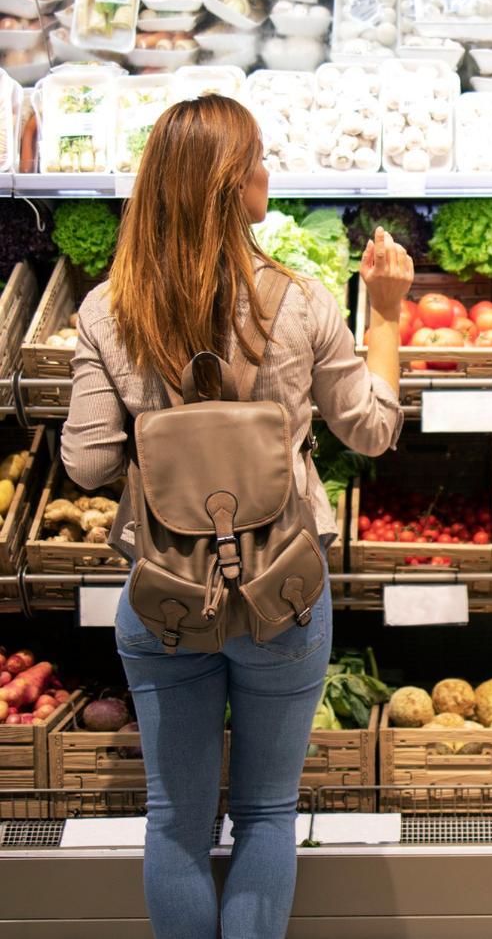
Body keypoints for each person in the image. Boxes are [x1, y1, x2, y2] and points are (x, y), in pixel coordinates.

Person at [60, 94, 413, 939]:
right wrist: (389, 312)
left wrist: (164, 442)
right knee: (263, 811)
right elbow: (370, 430)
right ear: (228, 187)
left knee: (175, 822)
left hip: (165, 596)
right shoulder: (300, 301)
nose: (268, 171)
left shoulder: (109, 312)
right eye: (255, 159)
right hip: (282, 592)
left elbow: (87, 462)